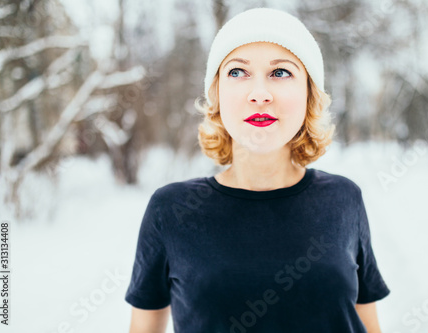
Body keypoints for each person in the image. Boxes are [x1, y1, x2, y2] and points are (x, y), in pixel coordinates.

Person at [125, 7, 390, 333]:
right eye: (237, 72)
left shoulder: (344, 199)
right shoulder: (171, 210)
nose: (260, 94)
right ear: (216, 95)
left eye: (280, 73)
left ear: (309, 94)